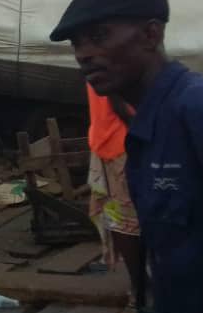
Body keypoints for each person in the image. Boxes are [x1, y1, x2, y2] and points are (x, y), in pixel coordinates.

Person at [51, 0, 203, 312]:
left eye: (98, 37)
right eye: (76, 44)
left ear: (151, 35)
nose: (83, 54)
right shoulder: (147, 124)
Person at [84, 86, 141, 304]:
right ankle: (141, 287)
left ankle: (139, 286)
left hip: (107, 139)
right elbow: (121, 104)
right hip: (124, 142)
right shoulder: (116, 66)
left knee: (121, 218)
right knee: (129, 220)